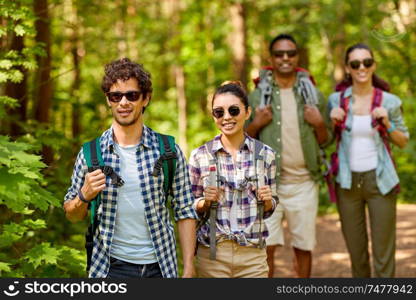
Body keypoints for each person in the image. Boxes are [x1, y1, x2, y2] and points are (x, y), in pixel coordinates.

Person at [63, 58, 197, 278]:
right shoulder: (91, 153)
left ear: (145, 99)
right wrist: (83, 196)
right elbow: (72, 215)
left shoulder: (167, 150)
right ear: (108, 100)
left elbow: (185, 211)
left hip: (160, 267)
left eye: (132, 95)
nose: (123, 102)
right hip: (109, 268)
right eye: (116, 96)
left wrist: (189, 268)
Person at [245, 34, 332, 278]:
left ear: (297, 57)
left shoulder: (313, 95)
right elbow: (240, 142)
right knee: (266, 248)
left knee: (303, 247)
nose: (285, 58)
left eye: (290, 53)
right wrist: (256, 124)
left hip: (304, 183)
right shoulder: (255, 98)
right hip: (267, 185)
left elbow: (327, 140)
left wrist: (319, 124)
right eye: (279, 54)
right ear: (271, 59)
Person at [328, 43, 409, 277]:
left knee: (383, 254)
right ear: (347, 68)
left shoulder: (389, 101)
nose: (361, 67)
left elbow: (402, 140)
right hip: (347, 182)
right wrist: (330, 121)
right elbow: (324, 141)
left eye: (366, 62)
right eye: (355, 64)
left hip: (380, 181)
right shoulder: (336, 100)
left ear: (373, 65)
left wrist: (388, 123)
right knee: (357, 254)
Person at [189, 81, 278, 278]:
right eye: (219, 112)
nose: (226, 117)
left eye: (234, 110)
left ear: (247, 112)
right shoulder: (199, 156)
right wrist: (205, 202)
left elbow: (271, 207)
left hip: (253, 256)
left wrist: (267, 200)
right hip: (212, 255)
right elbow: (189, 206)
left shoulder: (266, 154)